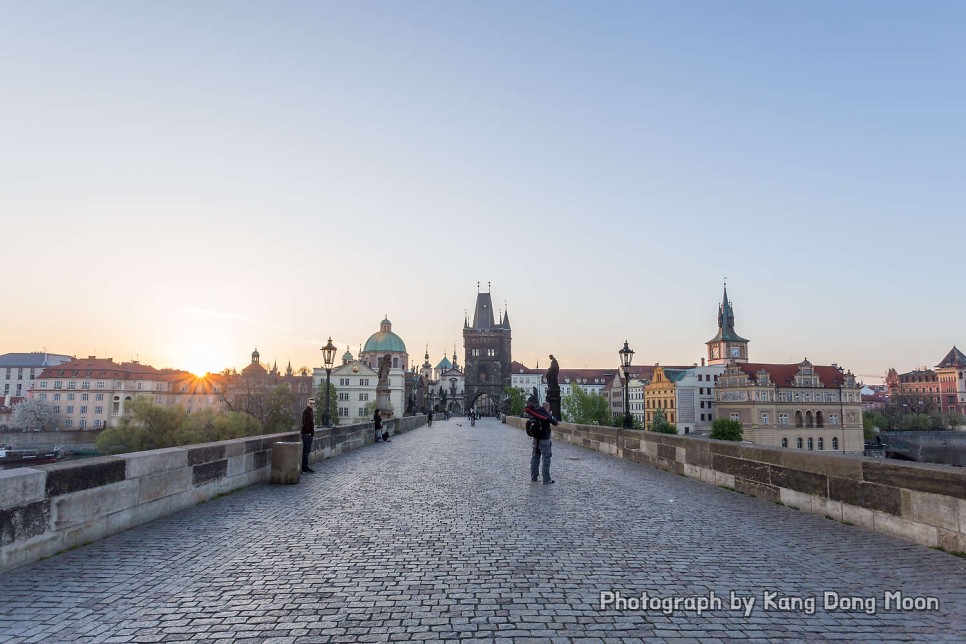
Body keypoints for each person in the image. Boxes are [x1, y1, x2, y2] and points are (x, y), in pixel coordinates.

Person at [531, 401, 558, 484]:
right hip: (544, 439)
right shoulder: (546, 414)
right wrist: (551, 414)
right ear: (547, 408)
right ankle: (546, 479)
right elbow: (555, 422)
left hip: (535, 439)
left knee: (535, 457)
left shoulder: (535, 412)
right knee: (546, 458)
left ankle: (533, 477)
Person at [301, 398, 316, 473]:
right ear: (307, 403)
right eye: (311, 403)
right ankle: (304, 468)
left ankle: (305, 467)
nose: (312, 405)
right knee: (306, 452)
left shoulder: (310, 411)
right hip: (306, 434)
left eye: (313, 403)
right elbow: (305, 423)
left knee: (307, 451)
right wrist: (309, 432)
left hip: (309, 435)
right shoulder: (306, 411)